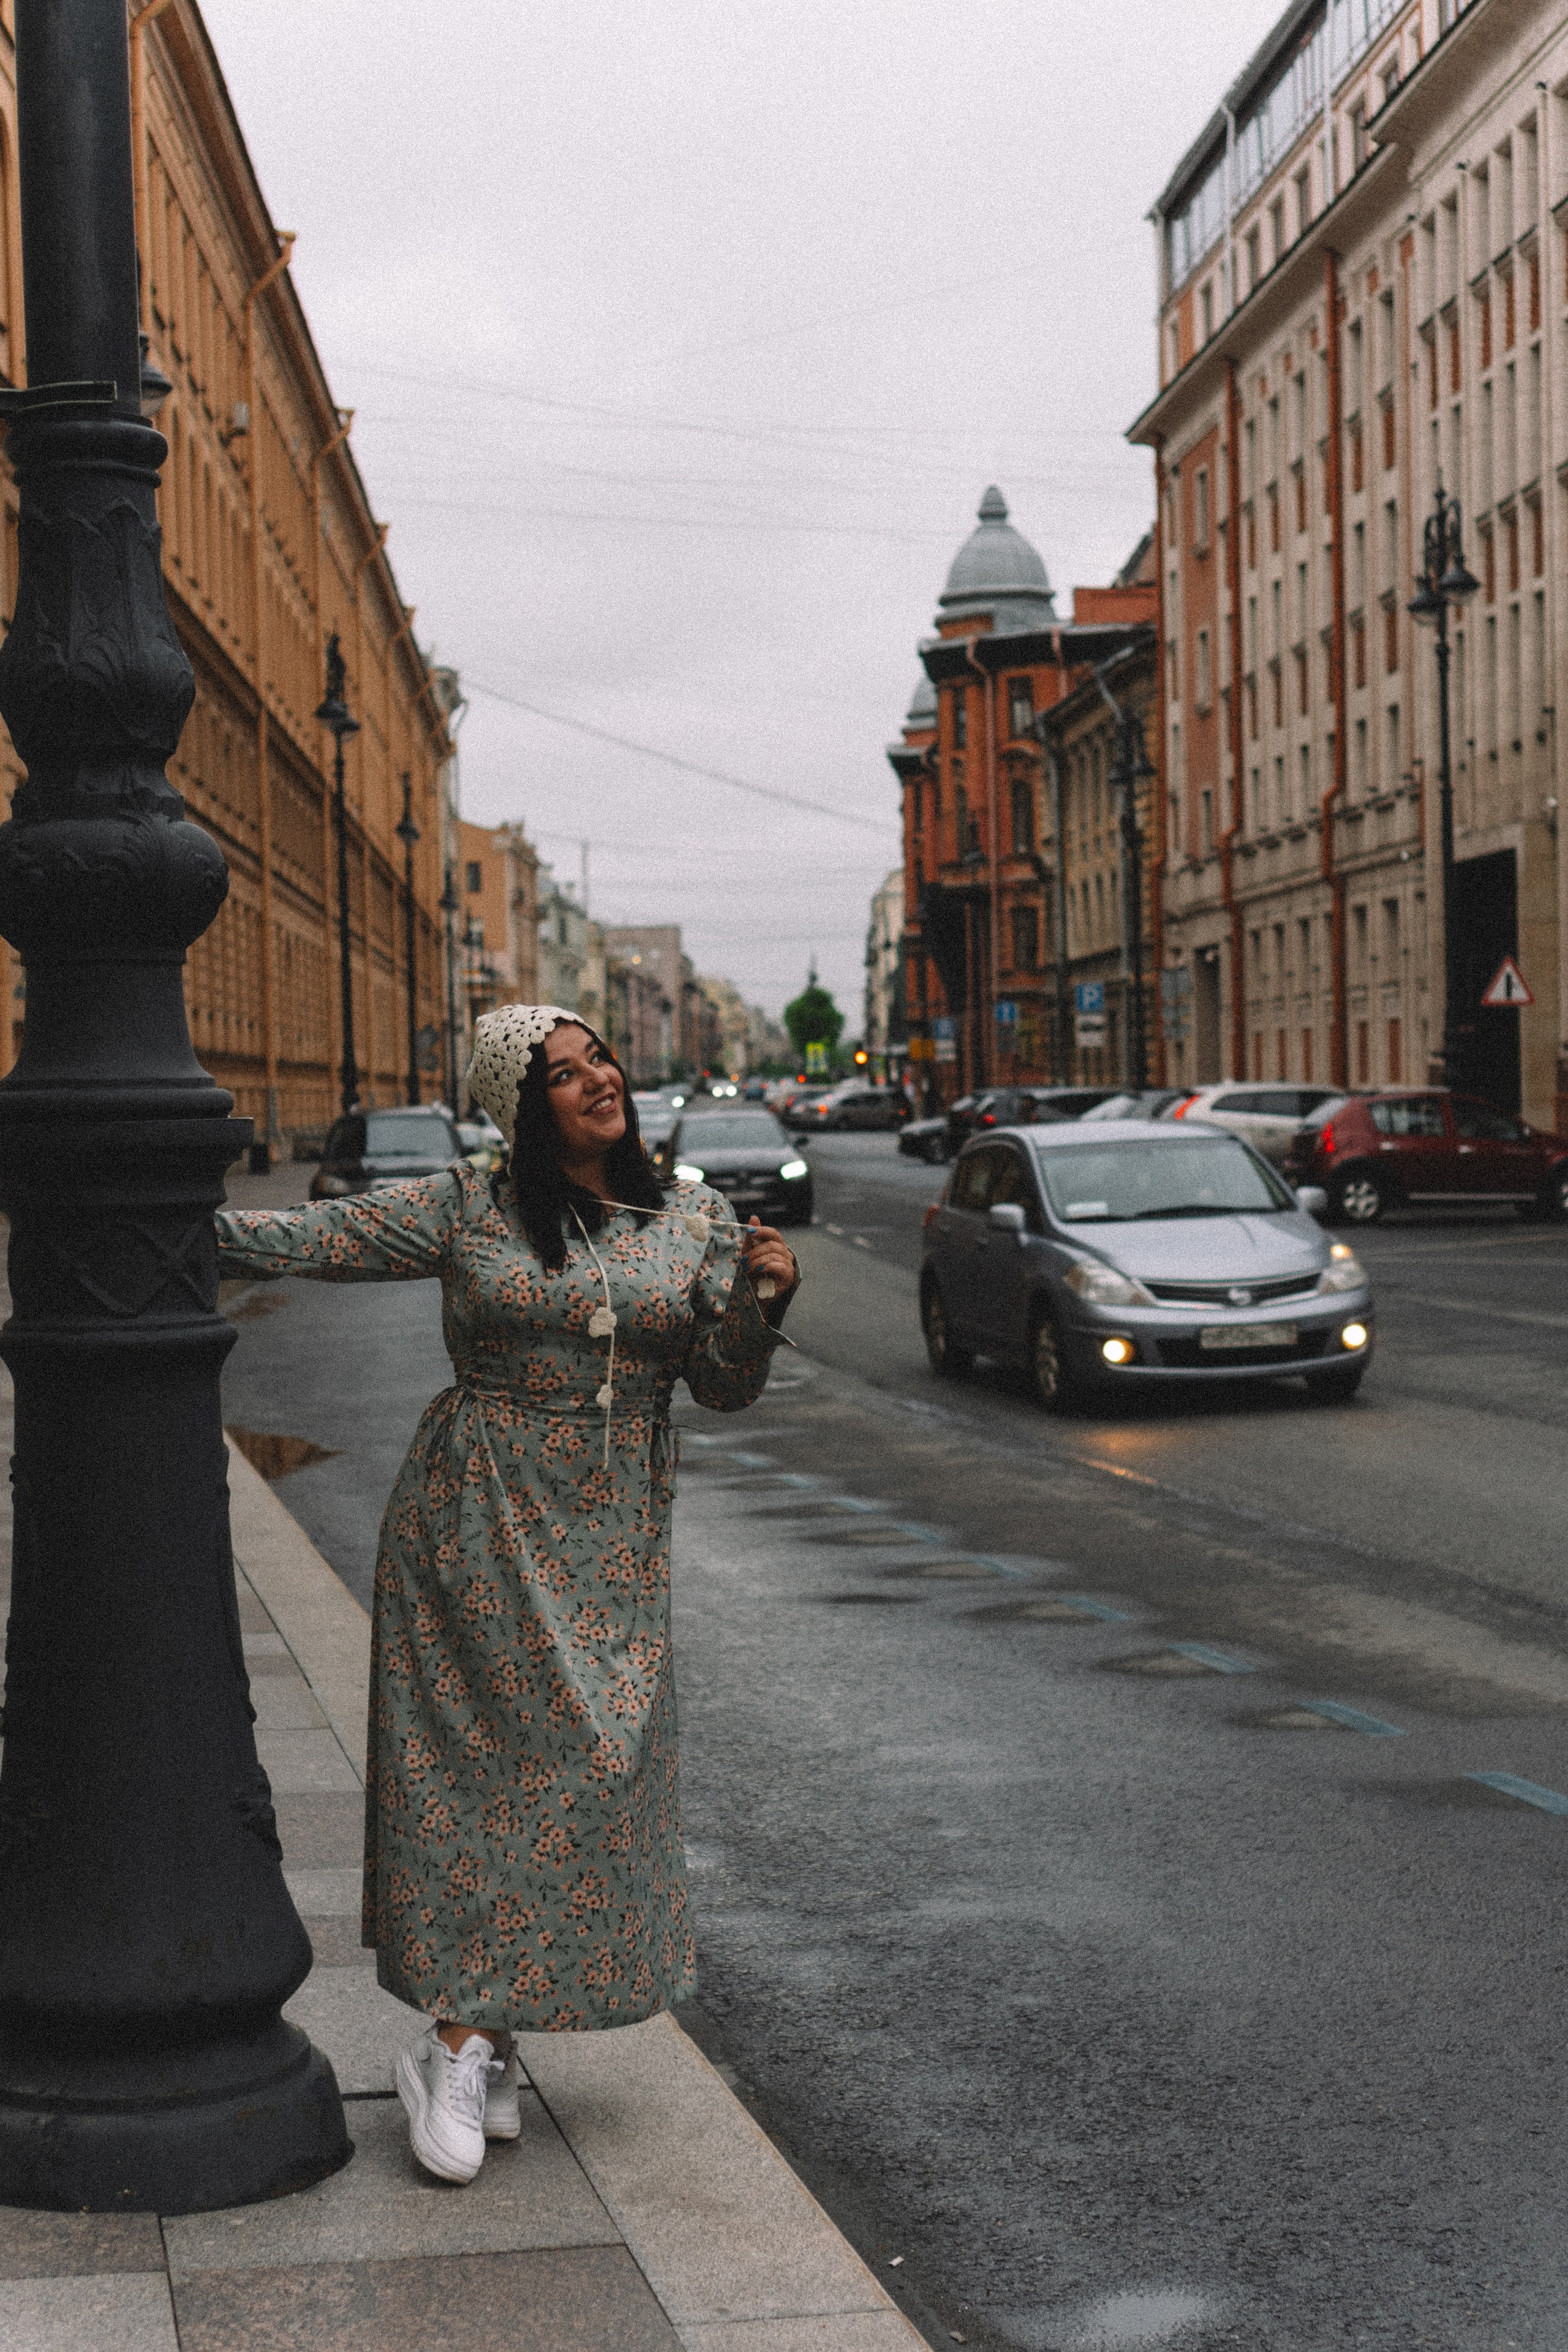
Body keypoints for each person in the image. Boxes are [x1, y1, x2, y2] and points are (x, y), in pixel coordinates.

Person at [215, 1005, 799, 2184]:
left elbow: (723, 1387)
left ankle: (486, 2029)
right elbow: (314, 1239)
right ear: (524, 1110)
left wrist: (762, 1303)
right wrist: (147, 1214)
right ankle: (462, 2036)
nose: (596, 1081)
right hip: (473, 1516)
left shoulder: (692, 1219)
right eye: (562, 1075)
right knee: (480, 1778)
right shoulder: (470, 1206)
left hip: (616, 1536)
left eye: (600, 1061)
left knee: (586, 1768)